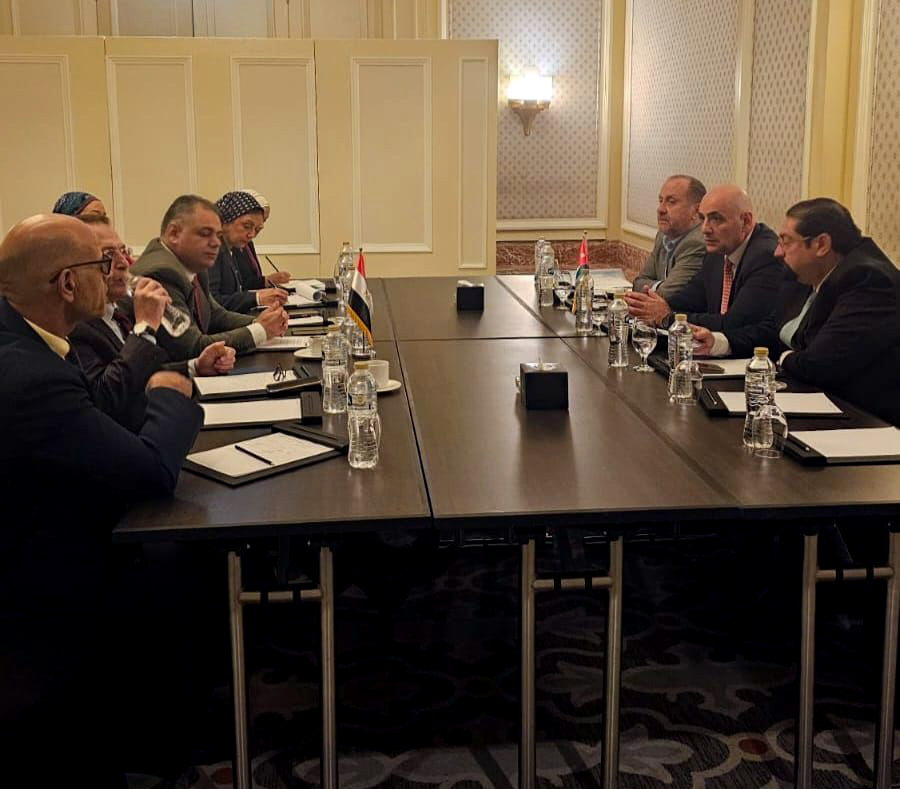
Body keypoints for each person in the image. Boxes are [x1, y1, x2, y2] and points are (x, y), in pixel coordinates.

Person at [0, 214, 202, 783]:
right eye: (104, 263)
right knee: (178, 562)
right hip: (32, 586)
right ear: (68, 283)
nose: (119, 271)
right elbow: (149, 472)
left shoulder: (29, 338)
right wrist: (171, 395)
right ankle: (167, 742)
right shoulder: (28, 374)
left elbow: (90, 412)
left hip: (36, 526)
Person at [694, 198, 900, 424]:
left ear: (821, 244)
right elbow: (775, 330)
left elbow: (818, 365)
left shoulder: (868, 281)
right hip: (809, 401)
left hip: (862, 420)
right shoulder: (807, 272)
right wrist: (719, 342)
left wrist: (782, 357)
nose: (777, 252)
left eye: (786, 241)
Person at [70, 214, 236, 430]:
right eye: (108, 255)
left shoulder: (120, 307)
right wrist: (145, 329)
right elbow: (105, 399)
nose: (124, 263)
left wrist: (195, 366)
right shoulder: (74, 325)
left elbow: (143, 373)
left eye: (123, 251)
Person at [624, 185, 783, 354]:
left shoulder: (766, 257)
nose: (705, 229)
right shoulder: (718, 250)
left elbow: (733, 324)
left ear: (746, 221)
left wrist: (668, 318)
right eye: (703, 218)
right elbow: (690, 298)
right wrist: (649, 308)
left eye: (716, 219)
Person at [131, 194, 289, 360]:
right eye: (205, 234)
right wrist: (260, 331)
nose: (216, 243)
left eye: (218, 235)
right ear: (174, 233)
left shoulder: (192, 262)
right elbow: (192, 347)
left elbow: (214, 314)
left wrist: (259, 322)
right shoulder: (161, 274)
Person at [208, 190, 288, 313]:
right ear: (225, 221)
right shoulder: (211, 250)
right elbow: (212, 304)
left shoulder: (230, 249)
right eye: (246, 226)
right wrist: (257, 298)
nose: (252, 235)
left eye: (257, 230)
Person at [631, 175, 707, 300]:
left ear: (696, 210)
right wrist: (661, 286)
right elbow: (638, 282)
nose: (660, 209)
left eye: (671, 202)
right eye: (661, 200)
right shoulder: (663, 235)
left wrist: (657, 287)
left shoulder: (697, 242)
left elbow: (668, 295)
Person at [231, 188, 291, 290]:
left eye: (264, 219)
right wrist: (267, 280)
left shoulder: (248, 243)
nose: (262, 223)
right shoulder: (231, 244)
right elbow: (239, 284)